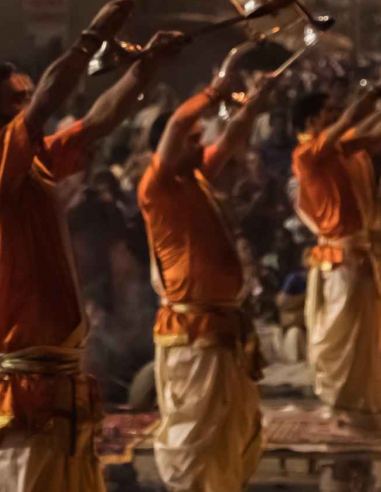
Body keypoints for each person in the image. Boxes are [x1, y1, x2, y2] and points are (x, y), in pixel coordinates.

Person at [0, 0, 185, 492]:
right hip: (28, 389)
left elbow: (98, 121)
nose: (33, 105)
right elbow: (51, 101)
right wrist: (95, 30)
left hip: (58, 380)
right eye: (18, 100)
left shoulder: (35, 161)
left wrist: (146, 69)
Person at [138, 70, 272, 491]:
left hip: (220, 328)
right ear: (168, 147)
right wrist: (215, 89)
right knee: (195, 434)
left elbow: (231, 138)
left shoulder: (193, 176)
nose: (200, 144)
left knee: (228, 427)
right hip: (193, 333)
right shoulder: (156, 186)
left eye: (199, 138)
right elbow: (178, 122)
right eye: (193, 140)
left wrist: (253, 101)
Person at [291, 84, 381, 429]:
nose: (336, 117)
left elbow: (376, 136)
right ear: (312, 120)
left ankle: (363, 410)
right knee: (343, 335)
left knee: (362, 336)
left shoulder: (338, 149)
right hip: (340, 259)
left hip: (359, 255)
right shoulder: (307, 154)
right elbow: (355, 118)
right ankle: (341, 406)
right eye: (329, 112)